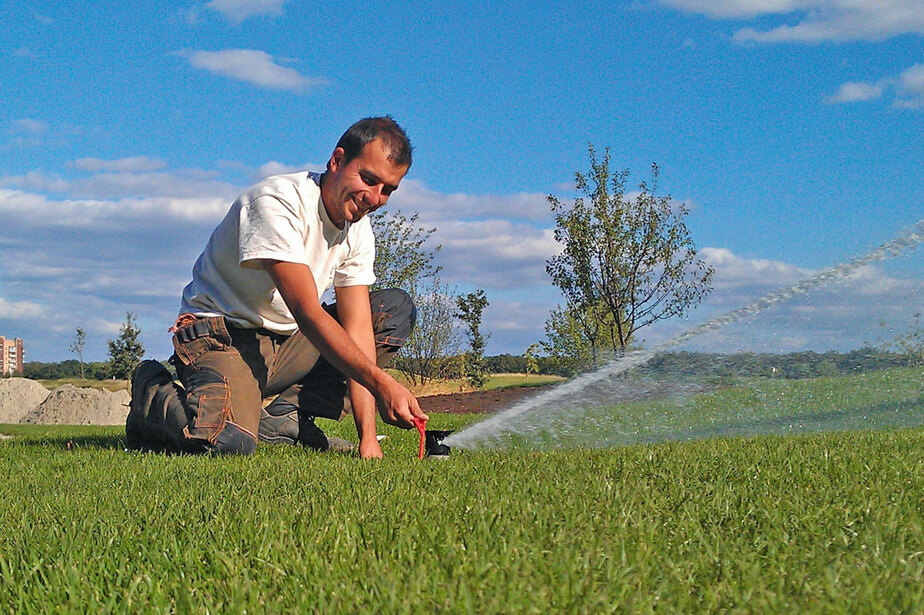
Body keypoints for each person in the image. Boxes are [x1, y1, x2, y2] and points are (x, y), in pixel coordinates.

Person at [126, 116, 428, 459]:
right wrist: (382, 383)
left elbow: (358, 330)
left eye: (388, 189)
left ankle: (284, 416)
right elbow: (308, 311)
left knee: (392, 311)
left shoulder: (358, 231)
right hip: (222, 338)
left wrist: (368, 440)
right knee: (228, 444)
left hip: (286, 344)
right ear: (338, 160)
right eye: (368, 179)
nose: (374, 198)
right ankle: (151, 392)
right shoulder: (277, 202)